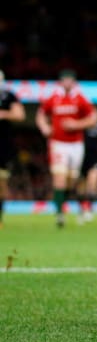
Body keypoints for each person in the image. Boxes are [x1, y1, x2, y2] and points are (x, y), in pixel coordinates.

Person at [35, 69, 97, 228]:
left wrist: (77, 124)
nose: (67, 82)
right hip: (58, 144)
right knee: (60, 178)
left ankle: (66, 204)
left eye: (70, 79)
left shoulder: (80, 99)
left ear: (74, 82)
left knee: (71, 181)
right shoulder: (54, 98)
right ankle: (59, 214)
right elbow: (41, 114)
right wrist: (44, 127)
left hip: (75, 144)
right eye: (65, 79)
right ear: (61, 82)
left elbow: (94, 117)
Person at [0, 70, 27, 227]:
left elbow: (20, 114)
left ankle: (0, 218)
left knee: (1, 183)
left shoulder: (8, 96)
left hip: (2, 146)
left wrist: (3, 114)